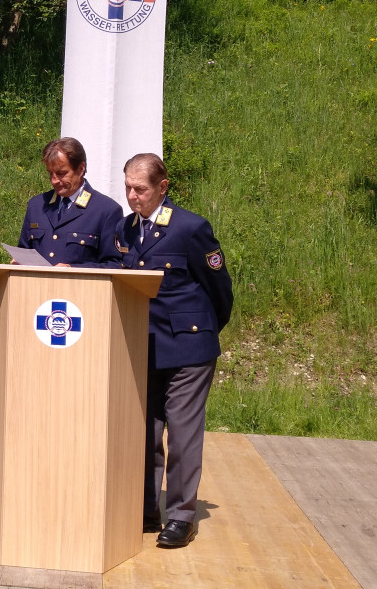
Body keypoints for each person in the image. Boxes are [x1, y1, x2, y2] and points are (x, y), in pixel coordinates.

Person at [117, 153, 233, 548]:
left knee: (182, 434)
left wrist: (201, 331)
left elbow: (219, 289)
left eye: (141, 189)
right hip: (143, 345)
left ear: (162, 187)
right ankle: (147, 509)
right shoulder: (125, 229)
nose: (133, 196)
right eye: (128, 188)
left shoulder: (190, 227)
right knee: (145, 432)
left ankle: (182, 516)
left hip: (188, 348)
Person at [18, 137, 123, 267]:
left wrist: (72, 270)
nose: (54, 181)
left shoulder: (106, 210)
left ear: (81, 169)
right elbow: (23, 251)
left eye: (61, 173)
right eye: (50, 174)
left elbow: (114, 265)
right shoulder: (37, 205)